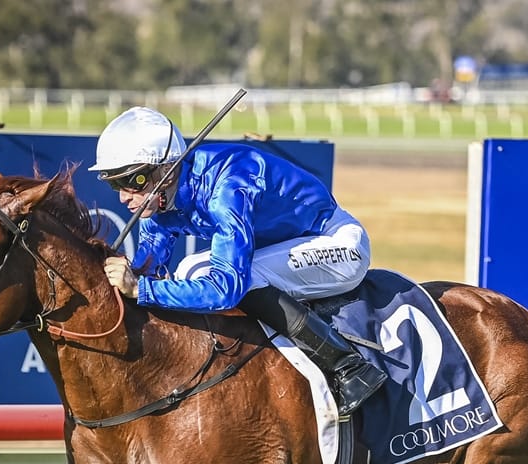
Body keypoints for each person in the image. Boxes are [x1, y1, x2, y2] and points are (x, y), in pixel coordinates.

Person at [91, 106, 387, 418]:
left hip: (338, 245)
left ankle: (348, 366)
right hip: (289, 245)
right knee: (190, 269)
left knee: (225, 274)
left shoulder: (228, 188)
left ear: (165, 170)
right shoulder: (158, 203)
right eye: (115, 184)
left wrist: (141, 289)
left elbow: (226, 289)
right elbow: (145, 269)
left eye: (132, 181)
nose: (123, 197)